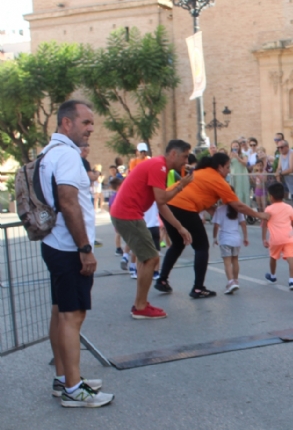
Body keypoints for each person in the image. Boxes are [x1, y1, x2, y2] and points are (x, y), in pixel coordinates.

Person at [40, 100, 113, 407]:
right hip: (69, 248)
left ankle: (64, 378)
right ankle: (73, 389)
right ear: (66, 124)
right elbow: (69, 204)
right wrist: (85, 249)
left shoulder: (48, 153)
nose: (91, 129)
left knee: (60, 312)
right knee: (73, 317)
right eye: (85, 123)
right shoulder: (67, 156)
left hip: (54, 245)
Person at [156, 152, 268, 298]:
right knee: (201, 247)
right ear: (219, 167)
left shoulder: (201, 172)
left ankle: (162, 280)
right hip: (184, 207)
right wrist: (260, 215)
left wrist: (221, 216)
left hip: (168, 205)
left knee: (177, 244)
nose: (229, 171)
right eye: (227, 167)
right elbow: (238, 206)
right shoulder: (218, 180)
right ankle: (198, 288)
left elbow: (206, 201)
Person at [110, 140, 195, 319]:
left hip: (127, 214)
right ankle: (140, 306)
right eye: (185, 156)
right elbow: (162, 199)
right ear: (173, 154)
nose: (186, 162)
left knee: (146, 257)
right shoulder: (159, 166)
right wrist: (181, 185)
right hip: (128, 214)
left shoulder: (159, 166)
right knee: (151, 257)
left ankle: (140, 303)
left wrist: (179, 227)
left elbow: (160, 204)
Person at [262, 182, 293, 289]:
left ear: (271, 197)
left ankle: (273, 276)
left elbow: (264, 224)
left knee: (273, 257)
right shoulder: (289, 207)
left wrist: (264, 238)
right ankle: (292, 280)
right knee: (291, 258)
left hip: (275, 238)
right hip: (289, 237)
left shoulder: (269, 209)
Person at [213, 197, 248, 294]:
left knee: (227, 262)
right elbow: (243, 224)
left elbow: (216, 226)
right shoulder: (238, 209)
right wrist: (245, 237)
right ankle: (235, 280)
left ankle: (230, 282)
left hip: (225, 240)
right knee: (235, 260)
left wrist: (214, 238)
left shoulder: (219, 209)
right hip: (236, 240)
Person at [275, 139, 293, 216]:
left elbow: (291, 169)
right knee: (292, 202)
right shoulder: (281, 155)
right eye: (278, 147)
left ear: (287, 146)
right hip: (289, 183)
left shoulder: (292, 153)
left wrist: (280, 173)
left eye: (281, 147)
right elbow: (279, 167)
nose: (280, 149)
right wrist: (278, 176)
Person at [229, 139, 251, 206]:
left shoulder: (243, 155)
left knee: (243, 191)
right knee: (235, 191)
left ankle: (245, 209)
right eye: (234, 146)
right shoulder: (229, 155)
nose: (235, 147)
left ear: (239, 147)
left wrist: (237, 157)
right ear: (231, 147)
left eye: (237, 146)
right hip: (234, 175)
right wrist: (230, 157)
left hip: (242, 175)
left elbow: (245, 163)